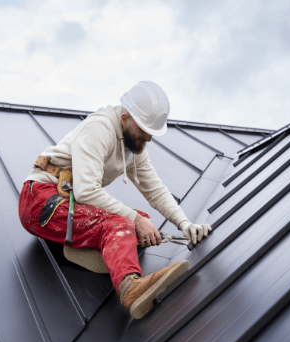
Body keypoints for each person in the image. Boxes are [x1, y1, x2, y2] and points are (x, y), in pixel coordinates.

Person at [18, 80, 211, 319]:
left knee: (142, 220)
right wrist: (132, 221)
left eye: (151, 133)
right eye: (143, 130)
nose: (148, 139)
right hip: (40, 201)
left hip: (67, 204)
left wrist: (185, 224)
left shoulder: (134, 146)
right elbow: (87, 191)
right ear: (125, 117)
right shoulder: (100, 129)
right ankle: (131, 288)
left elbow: (155, 190)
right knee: (122, 224)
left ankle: (78, 250)